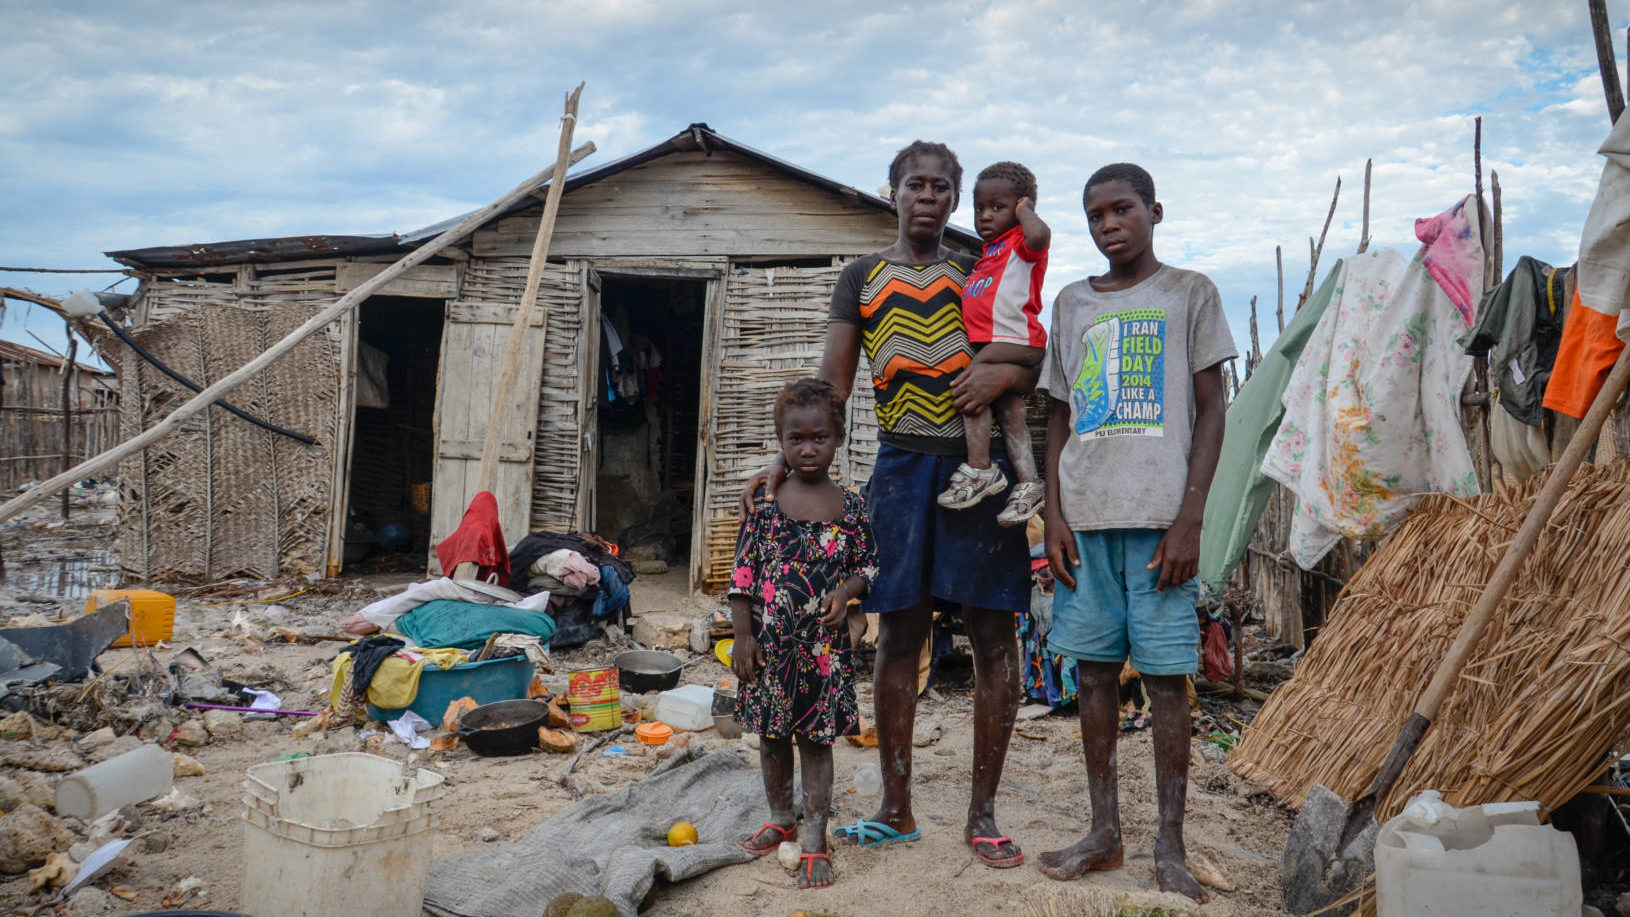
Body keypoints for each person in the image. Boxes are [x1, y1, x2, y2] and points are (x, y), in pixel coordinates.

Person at [743, 141, 1034, 870]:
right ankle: (895, 805)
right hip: (902, 468)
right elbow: (832, 389)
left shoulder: (976, 270)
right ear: (894, 192)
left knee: (995, 637)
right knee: (900, 634)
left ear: (956, 199)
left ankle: (984, 813)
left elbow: (1028, 348)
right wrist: (780, 460)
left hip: (978, 471)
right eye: (915, 184)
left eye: (942, 187)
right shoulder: (863, 277)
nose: (928, 196)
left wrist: (996, 381)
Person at [1036, 163, 1234, 903]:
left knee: (1163, 680)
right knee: (1091, 672)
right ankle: (1103, 832)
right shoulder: (1071, 302)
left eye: (1122, 209)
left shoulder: (1189, 293)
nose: (1108, 224)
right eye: (1095, 215)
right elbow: (1058, 415)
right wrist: (1054, 514)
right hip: (1086, 520)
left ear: (1155, 210)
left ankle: (1171, 842)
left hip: (1159, 525)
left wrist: (1191, 517)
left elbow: (1213, 409)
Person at [731, 378, 878, 890]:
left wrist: (846, 591)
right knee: (771, 737)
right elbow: (742, 579)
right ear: (781, 440)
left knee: (816, 743)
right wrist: (743, 638)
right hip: (769, 651)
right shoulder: (765, 507)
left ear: (838, 437)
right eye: (796, 439)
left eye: (819, 437)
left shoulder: (853, 508)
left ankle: (814, 836)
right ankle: (780, 816)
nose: (807, 448)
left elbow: (870, 567)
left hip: (822, 654)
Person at [936, 161, 1050, 527]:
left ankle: (981, 468)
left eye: (997, 207)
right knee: (1011, 412)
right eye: (979, 208)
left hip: (1018, 340)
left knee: (971, 384)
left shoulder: (1021, 244)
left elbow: (1041, 237)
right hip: (1001, 346)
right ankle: (1030, 483)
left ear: (1020, 207)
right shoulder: (988, 255)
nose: (985, 216)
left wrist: (1025, 212)